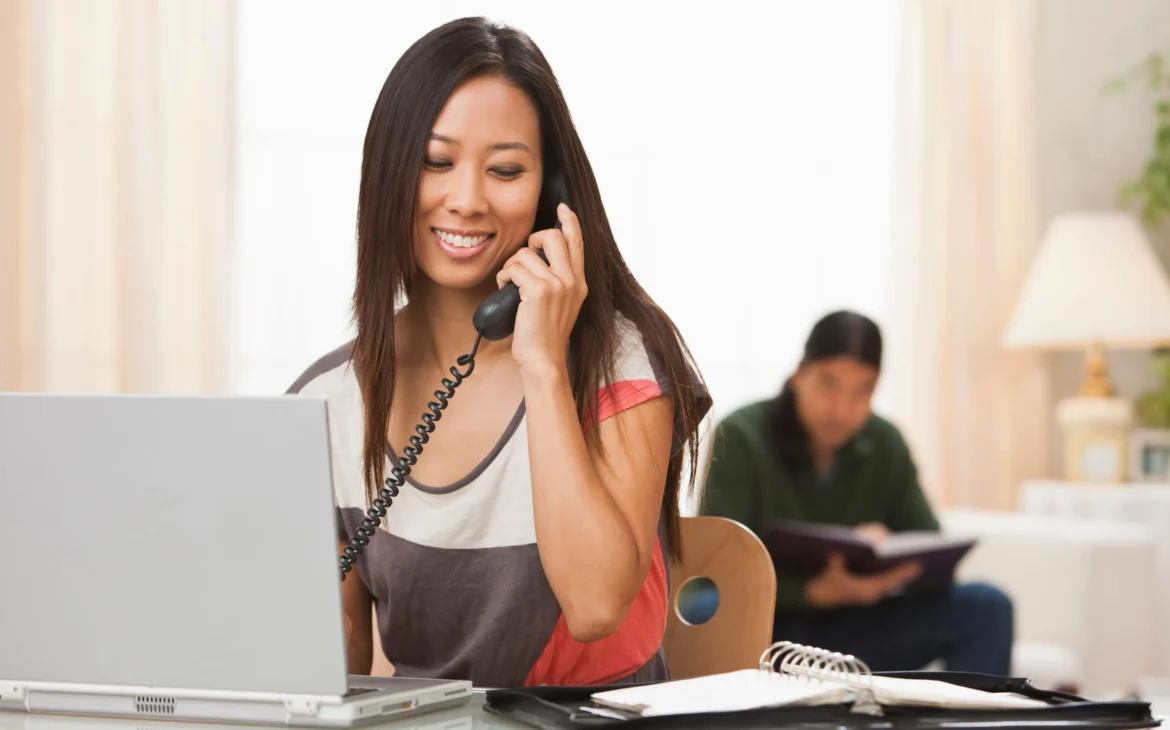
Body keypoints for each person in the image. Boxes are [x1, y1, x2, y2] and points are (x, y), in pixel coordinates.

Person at [285, 17, 710, 689]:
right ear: (388, 172)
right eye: (435, 161)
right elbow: (329, 663)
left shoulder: (620, 360)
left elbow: (597, 606)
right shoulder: (326, 400)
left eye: (506, 170)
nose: (467, 200)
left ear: (553, 192)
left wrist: (542, 365)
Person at [700, 310, 1013, 675]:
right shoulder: (741, 436)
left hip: (860, 628)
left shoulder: (885, 442)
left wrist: (887, 561)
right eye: (828, 385)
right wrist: (811, 592)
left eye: (862, 392)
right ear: (800, 374)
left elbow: (934, 560)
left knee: (987, 605)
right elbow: (715, 576)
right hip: (771, 636)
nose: (842, 409)